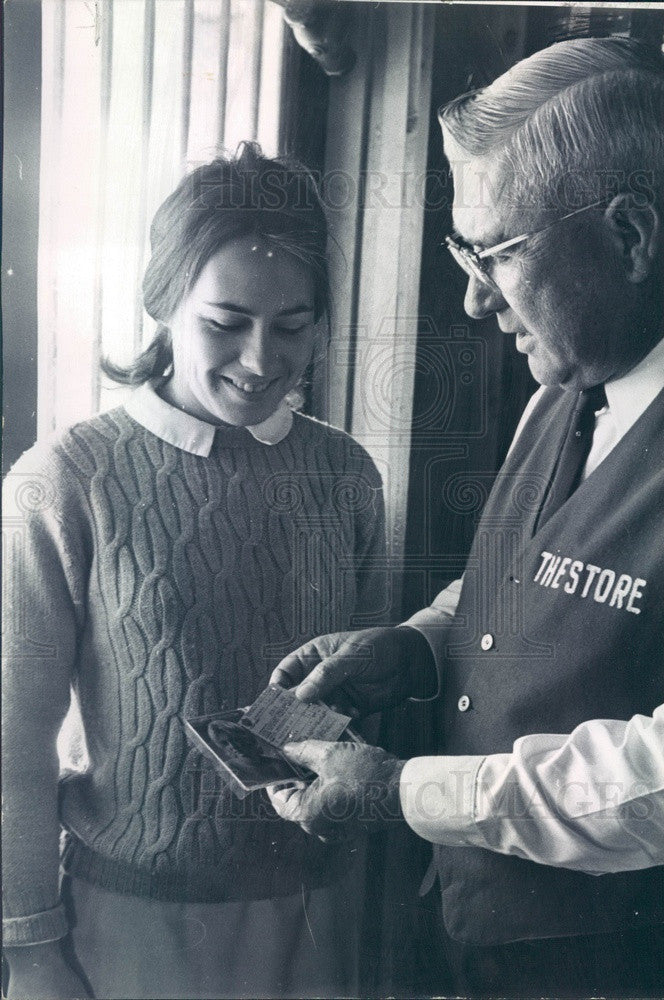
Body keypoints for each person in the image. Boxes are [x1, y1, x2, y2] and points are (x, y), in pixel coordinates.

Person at [265, 37, 664, 997]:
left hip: (645, 966)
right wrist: (423, 643)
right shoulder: (561, 387)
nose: (474, 299)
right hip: (484, 941)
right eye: (461, 252)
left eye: (497, 254)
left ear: (630, 235)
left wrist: (405, 794)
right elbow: (539, 575)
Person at [2, 143, 386, 1000]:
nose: (260, 359)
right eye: (225, 322)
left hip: (318, 913)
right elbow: (13, 742)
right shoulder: (64, 480)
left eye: (293, 326)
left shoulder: (347, 476)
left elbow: (365, 704)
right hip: (130, 925)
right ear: (163, 301)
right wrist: (28, 947)